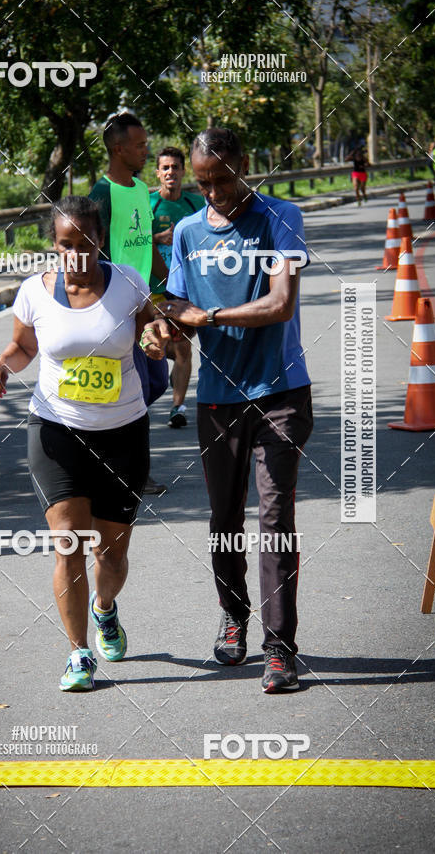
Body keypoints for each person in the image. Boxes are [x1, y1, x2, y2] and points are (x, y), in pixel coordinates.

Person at [141, 128, 313, 693]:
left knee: (274, 520)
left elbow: (281, 303)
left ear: (244, 163)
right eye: (203, 182)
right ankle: (234, 615)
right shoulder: (188, 232)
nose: (212, 191)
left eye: (222, 178)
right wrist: (164, 327)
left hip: (281, 392)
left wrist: (209, 319)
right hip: (218, 400)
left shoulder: (279, 217)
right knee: (223, 521)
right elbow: (176, 301)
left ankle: (281, 649)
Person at [0, 196, 164, 692]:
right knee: (69, 544)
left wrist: (154, 336)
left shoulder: (127, 282)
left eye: (85, 245)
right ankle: (78, 654)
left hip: (123, 433)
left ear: (98, 241)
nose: (77, 256)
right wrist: (1, 364)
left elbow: (151, 327)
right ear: (53, 245)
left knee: (112, 554)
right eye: (66, 245)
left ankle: (105, 609)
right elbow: (23, 348)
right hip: (56, 430)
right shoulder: (32, 293)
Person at [89, 112, 168, 493]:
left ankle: (109, 453)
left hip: (145, 304)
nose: (145, 151)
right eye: (139, 146)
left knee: (157, 380)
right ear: (118, 149)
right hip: (118, 308)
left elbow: (148, 241)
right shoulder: (101, 194)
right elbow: (90, 253)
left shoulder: (141, 190)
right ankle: (131, 471)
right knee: (137, 389)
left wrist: (169, 288)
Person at [150, 146, 204, 428]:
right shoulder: (148, 205)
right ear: (158, 173)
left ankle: (177, 407)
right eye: (165, 168)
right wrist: (158, 238)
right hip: (153, 288)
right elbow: (134, 243)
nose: (171, 172)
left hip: (184, 288)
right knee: (160, 343)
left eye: (176, 167)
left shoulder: (197, 204)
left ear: (184, 171)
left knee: (183, 348)